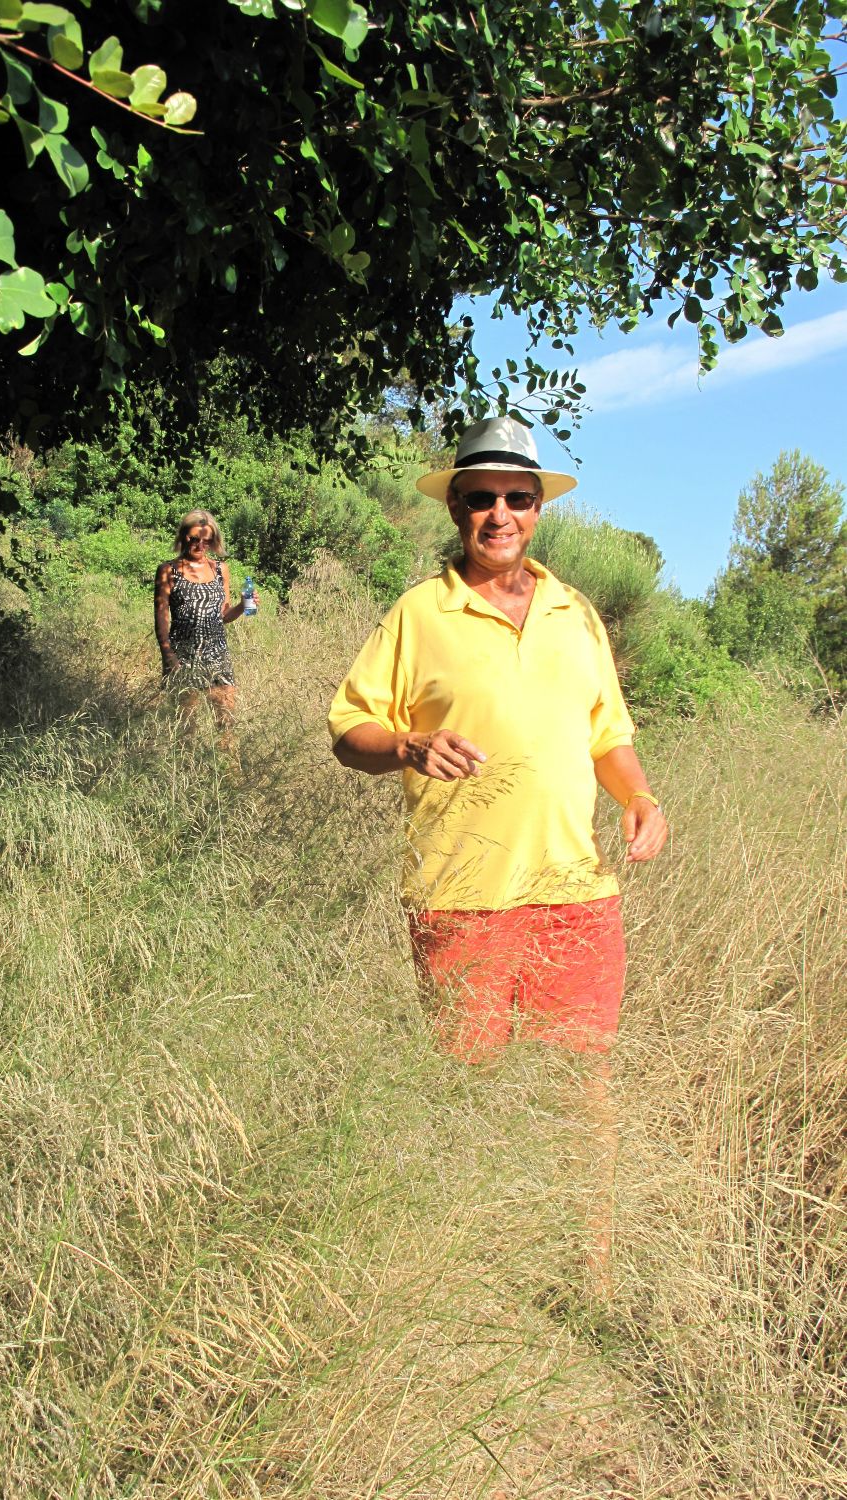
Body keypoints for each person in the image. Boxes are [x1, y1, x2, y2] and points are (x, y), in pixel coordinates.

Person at [328, 416, 668, 1291]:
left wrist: (638, 796)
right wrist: (405, 745)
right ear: (455, 510)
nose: (499, 514)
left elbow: (610, 736)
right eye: (479, 499)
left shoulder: (575, 612)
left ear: (537, 508)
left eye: (516, 497)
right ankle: (475, 1267)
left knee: (579, 1085)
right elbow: (346, 731)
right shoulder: (416, 614)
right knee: (468, 1080)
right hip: (459, 893)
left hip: (574, 892)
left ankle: (587, 1269)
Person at [154, 510, 257, 743]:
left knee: (226, 724)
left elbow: (225, 614)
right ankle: (187, 774)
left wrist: (242, 605)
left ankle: (229, 774)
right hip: (183, 657)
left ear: (213, 541)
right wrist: (169, 657)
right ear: (183, 537)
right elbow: (161, 617)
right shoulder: (168, 570)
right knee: (185, 730)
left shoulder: (220, 569)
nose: (200, 544)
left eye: (206, 540)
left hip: (217, 656)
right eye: (194, 539)